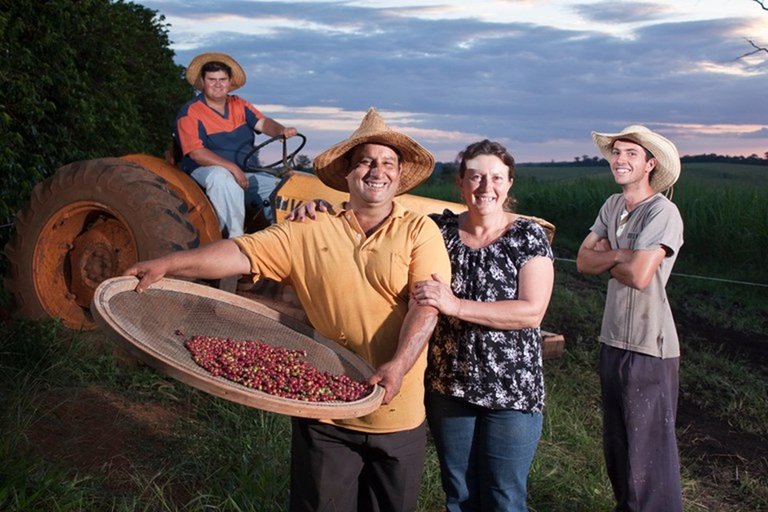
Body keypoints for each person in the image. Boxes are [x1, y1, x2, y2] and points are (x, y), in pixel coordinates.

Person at [125, 107, 452, 512]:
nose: (376, 170)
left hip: (397, 416)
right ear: (348, 172)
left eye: (387, 163)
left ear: (399, 176)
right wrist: (168, 264)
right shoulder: (309, 227)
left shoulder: (420, 230)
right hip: (325, 414)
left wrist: (399, 365)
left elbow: (427, 306)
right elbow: (239, 252)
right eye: (365, 160)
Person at [291, 139, 555, 511]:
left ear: (509, 183)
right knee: (459, 494)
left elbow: (531, 311)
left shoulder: (527, 237)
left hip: (509, 388)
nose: (485, 187)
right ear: (460, 183)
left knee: (504, 497)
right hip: (449, 384)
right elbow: (377, 216)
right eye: (475, 177)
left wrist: (455, 305)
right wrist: (321, 211)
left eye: (496, 178)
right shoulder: (439, 231)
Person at [575, 125, 684, 512]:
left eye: (631, 154)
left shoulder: (663, 212)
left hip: (649, 346)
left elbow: (639, 277)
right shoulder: (612, 206)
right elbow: (583, 261)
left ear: (650, 165)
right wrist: (625, 255)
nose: (620, 160)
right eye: (617, 153)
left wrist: (614, 256)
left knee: (649, 452)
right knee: (618, 448)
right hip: (612, 339)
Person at [175, 52, 297, 237]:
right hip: (205, 170)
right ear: (203, 81)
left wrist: (281, 131)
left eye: (222, 79)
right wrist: (232, 168)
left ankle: (284, 241)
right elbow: (196, 153)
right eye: (212, 79)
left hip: (244, 169)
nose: (218, 84)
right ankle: (234, 241)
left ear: (230, 82)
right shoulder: (191, 112)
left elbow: (263, 123)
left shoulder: (239, 104)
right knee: (222, 178)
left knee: (282, 188)